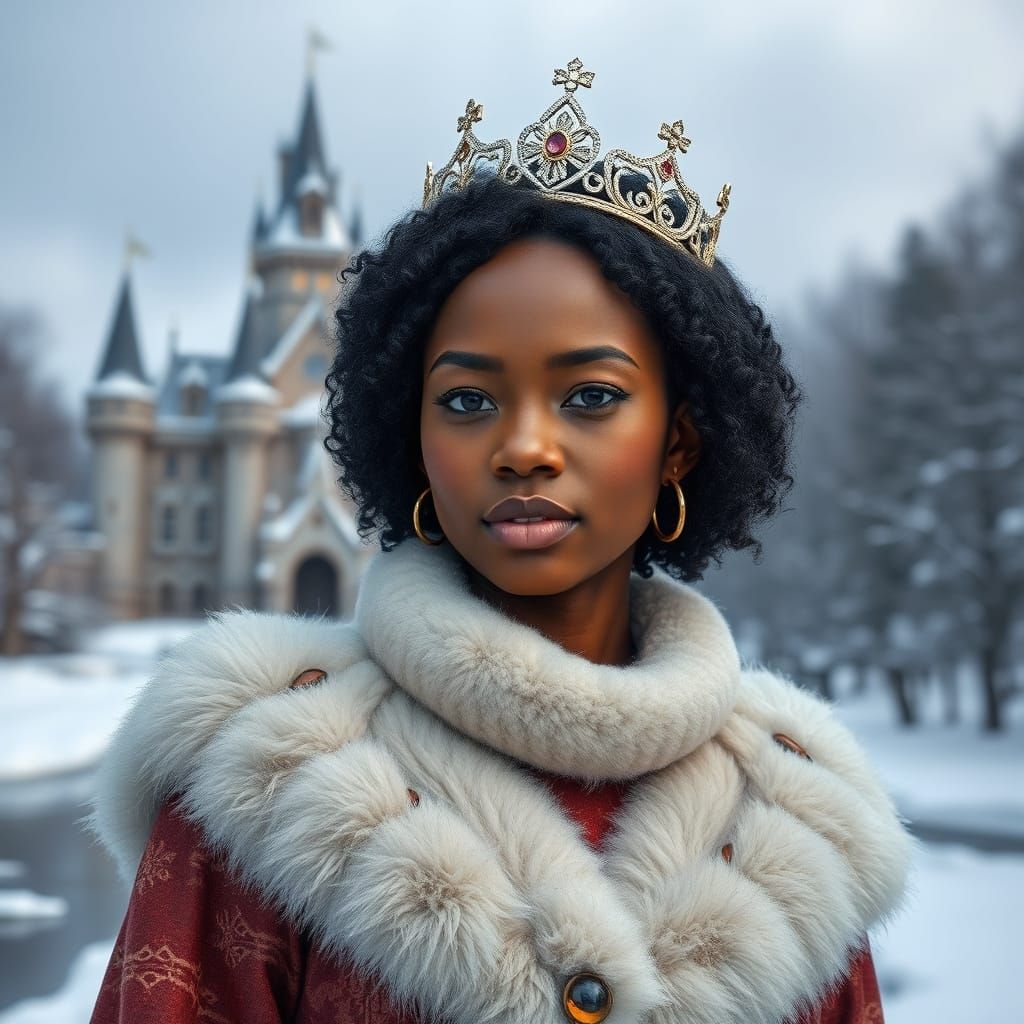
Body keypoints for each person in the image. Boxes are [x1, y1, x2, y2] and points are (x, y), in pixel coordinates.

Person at [90, 58, 910, 1024]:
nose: (523, 446)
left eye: (592, 396)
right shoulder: (263, 786)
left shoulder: (795, 819)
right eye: (469, 399)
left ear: (679, 442)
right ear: (416, 438)